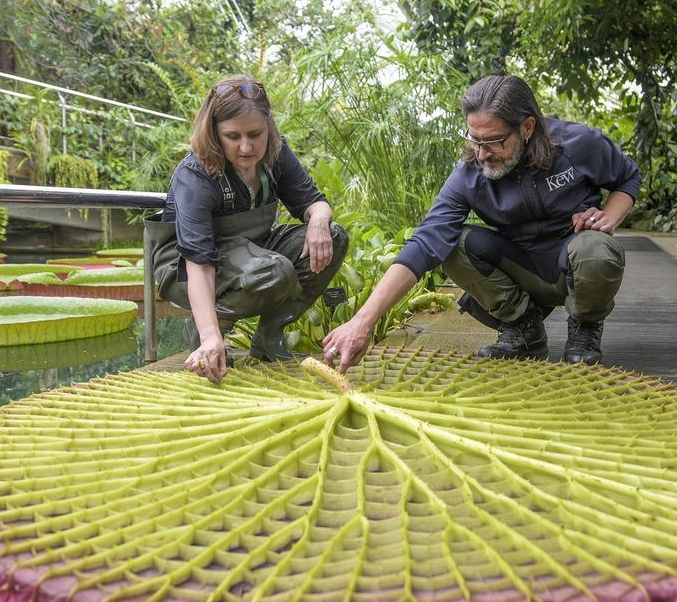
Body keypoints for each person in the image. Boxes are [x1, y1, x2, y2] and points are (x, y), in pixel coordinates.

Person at [322, 74, 639, 372]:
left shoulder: (577, 143)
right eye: (475, 140)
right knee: (451, 244)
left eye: (494, 142)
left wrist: (608, 217)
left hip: (573, 259)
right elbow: (426, 241)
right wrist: (362, 321)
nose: (482, 154)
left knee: (597, 248)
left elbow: (627, 176)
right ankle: (522, 330)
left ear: (527, 127)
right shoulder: (469, 173)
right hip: (522, 268)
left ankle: (584, 327)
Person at [151, 76, 348, 383]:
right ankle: (206, 337)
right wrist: (210, 333)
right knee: (273, 270)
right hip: (185, 266)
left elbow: (315, 203)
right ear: (214, 133)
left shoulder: (276, 154)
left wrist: (319, 222)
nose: (246, 147)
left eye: (255, 134)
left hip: (255, 251)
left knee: (334, 237)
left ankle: (270, 335)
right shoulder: (196, 175)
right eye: (233, 136)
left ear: (269, 127)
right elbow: (199, 264)